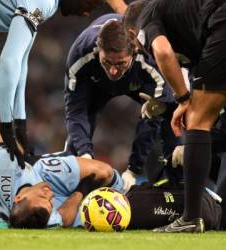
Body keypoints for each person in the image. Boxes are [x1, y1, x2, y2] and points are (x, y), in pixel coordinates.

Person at [0, 0, 124, 228]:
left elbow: (21, 63)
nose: (88, 11)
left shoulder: (45, 6)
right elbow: (9, 61)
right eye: (91, 3)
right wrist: (6, 122)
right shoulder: (44, 2)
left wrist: (19, 122)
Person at [134, 0, 226, 233]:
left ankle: (190, 219)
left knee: (198, 121)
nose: (137, 49)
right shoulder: (187, 23)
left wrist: (183, 99)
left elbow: (163, 52)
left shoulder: (145, 16)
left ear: (131, 32)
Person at [63, 13, 179, 192]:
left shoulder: (150, 59)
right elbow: (75, 111)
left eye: (120, 63)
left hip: (138, 81)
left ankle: (176, 184)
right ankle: (69, 192)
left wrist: (134, 169)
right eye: (107, 62)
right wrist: (84, 154)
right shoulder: (81, 53)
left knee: (169, 116)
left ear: (134, 51)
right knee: (76, 142)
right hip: (96, 85)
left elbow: (152, 119)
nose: (113, 71)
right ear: (97, 49)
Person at [0, 131, 123, 228]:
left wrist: (20, 149)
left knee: (103, 172)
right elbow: (64, 219)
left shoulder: (2, 170)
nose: (49, 193)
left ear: (18, 197)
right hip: (90, 198)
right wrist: (82, 190)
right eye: (50, 202)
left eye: (41, 195)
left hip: (48, 171)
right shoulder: (37, 219)